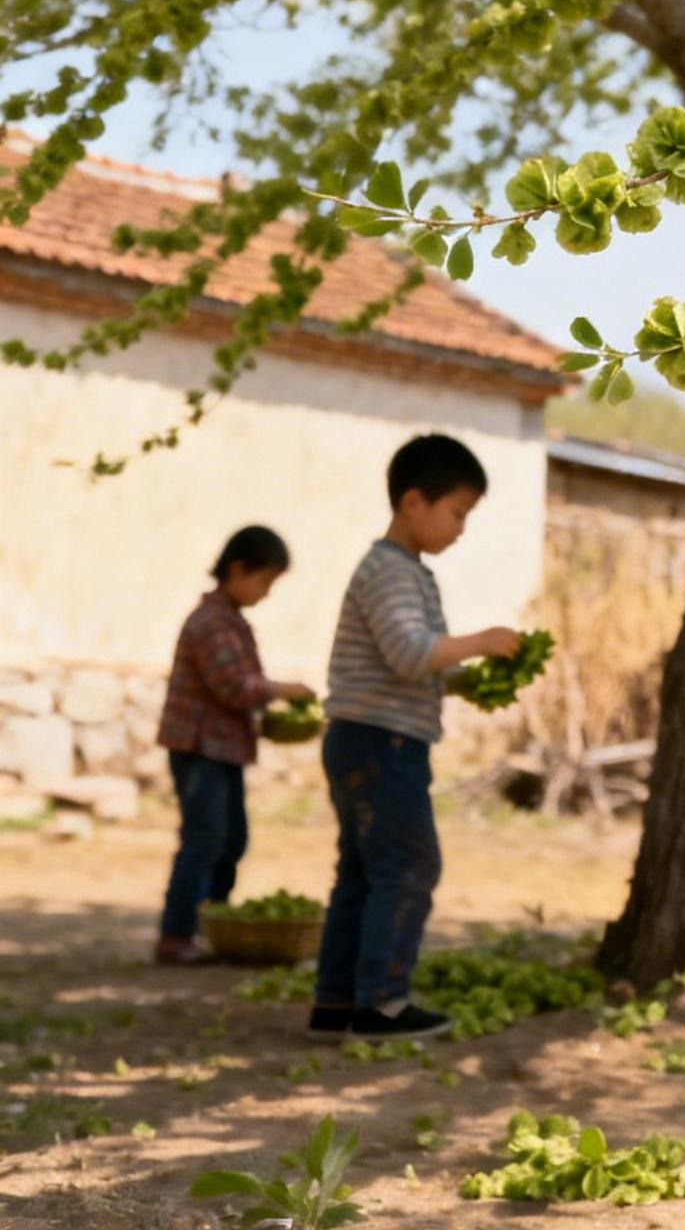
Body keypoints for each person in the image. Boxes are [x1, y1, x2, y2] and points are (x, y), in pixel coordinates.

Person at [307, 433, 522, 1040]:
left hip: (368, 739)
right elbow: (409, 653)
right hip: (382, 744)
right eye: (457, 513)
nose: (461, 528)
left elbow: (422, 661)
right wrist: (481, 641)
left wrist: (466, 682)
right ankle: (382, 1003)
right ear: (412, 502)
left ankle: (337, 1002)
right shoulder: (390, 572)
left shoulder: (409, 574)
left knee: (363, 873)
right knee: (408, 868)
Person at [156, 525, 313, 965]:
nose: (265, 592)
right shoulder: (209, 622)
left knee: (232, 840)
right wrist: (286, 691)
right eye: (263, 581)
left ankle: (214, 922)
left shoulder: (233, 623)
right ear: (236, 569)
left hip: (224, 749)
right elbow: (233, 686)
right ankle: (176, 932)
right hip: (198, 747)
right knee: (204, 839)